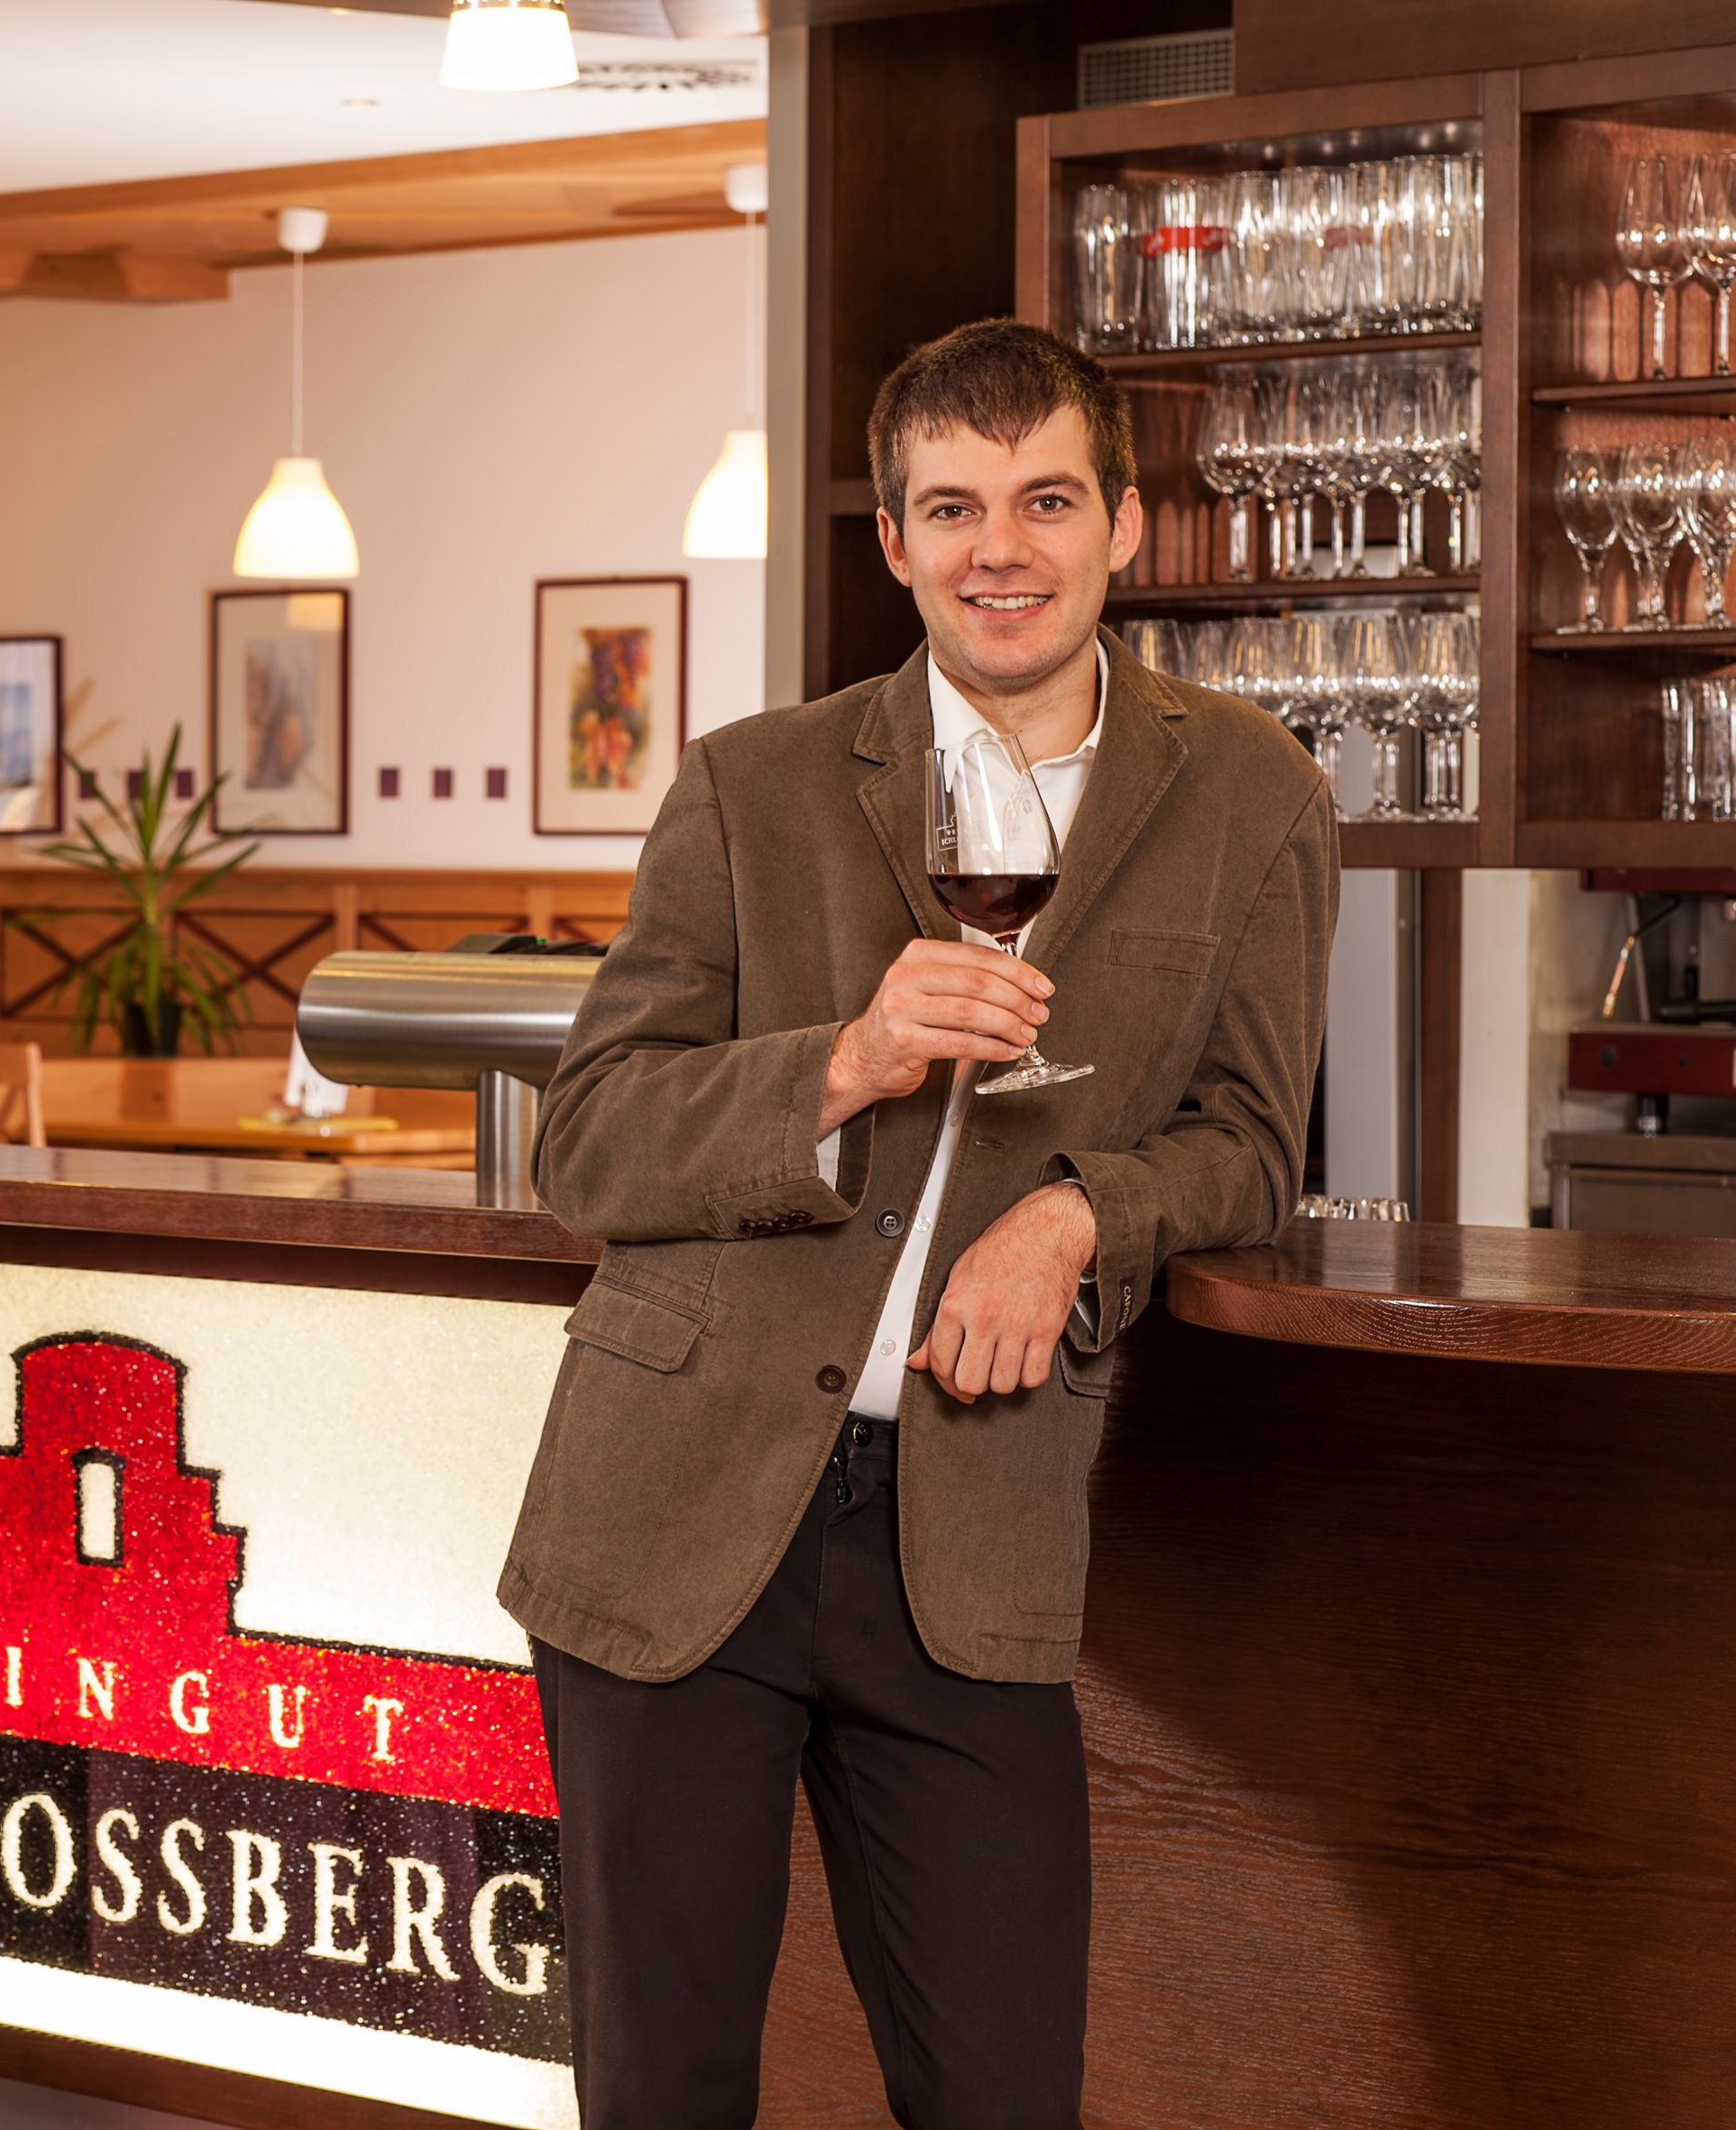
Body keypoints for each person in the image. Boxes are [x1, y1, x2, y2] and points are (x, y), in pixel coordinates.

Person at [503, 319, 1336, 2129]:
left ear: (1123, 521)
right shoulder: (751, 784)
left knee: (999, 2093)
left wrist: (1074, 1214)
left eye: (1043, 498)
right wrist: (844, 1057)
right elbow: (587, 1140)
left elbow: (1250, 1144)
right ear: (890, 541)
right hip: (669, 1513)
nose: (997, 547)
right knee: (660, 2094)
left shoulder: (1251, 791)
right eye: (949, 506)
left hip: (966, 1535)